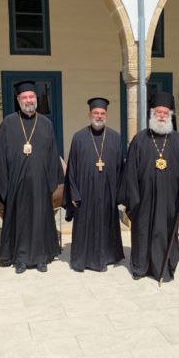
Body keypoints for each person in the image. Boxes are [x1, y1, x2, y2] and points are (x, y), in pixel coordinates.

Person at [118, 92, 179, 281]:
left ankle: (164, 267)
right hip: (143, 198)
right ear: (152, 113)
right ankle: (140, 267)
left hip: (169, 198)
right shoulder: (140, 139)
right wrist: (133, 198)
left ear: (170, 115)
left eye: (165, 112)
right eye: (158, 112)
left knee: (165, 230)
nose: (161, 115)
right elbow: (130, 171)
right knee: (142, 231)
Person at [0, 80, 64, 274]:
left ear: (36, 99)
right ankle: (20, 258)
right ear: (18, 100)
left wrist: (51, 183)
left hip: (40, 184)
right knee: (20, 221)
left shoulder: (46, 124)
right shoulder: (8, 123)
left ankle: (41, 258)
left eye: (31, 96)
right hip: (16, 184)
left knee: (40, 220)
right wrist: (4, 185)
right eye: (24, 97)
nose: (29, 100)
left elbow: (53, 154)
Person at [63, 97, 124, 272]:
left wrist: (118, 193)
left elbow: (121, 168)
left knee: (107, 224)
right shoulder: (79, 137)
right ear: (89, 114)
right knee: (85, 225)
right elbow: (71, 168)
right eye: (95, 113)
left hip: (108, 193)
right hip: (85, 193)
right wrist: (74, 194)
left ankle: (108, 256)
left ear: (106, 115)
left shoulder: (115, 137)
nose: (99, 116)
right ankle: (84, 259)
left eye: (102, 113)